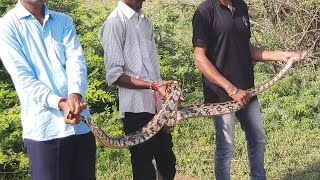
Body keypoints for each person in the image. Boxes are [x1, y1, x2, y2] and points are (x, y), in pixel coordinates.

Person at [192, 0, 304, 179]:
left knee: (258, 137)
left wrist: (282, 55)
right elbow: (199, 59)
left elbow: (248, 49)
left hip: (247, 90)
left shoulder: (241, 6)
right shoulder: (205, 11)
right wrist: (232, 89)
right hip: (222, 95)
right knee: (226, 147)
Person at [0, 0, 96, 180]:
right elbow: (24, 79)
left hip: (81, 128)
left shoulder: (64, 21)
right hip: (44, 132)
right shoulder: (6, 26)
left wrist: (74, 95)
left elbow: (76, 61)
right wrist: (60, 103)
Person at [99, 0, 177, 179]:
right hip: (135, 110)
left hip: (158, 108)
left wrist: (167, 95)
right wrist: (152, 86)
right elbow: (114, 75)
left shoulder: (146, 22)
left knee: (168, 165)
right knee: (143, 170)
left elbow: (153, 68)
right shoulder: (114, 23)